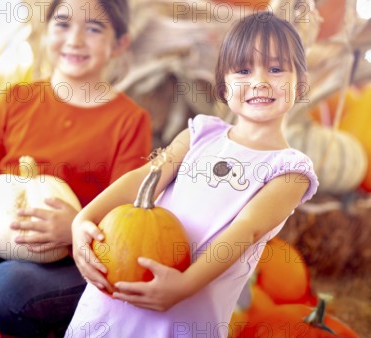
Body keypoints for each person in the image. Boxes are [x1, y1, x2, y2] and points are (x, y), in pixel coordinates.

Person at [67, 11, 319, 338]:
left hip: (185, 310)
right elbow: (147, 175)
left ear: (300, 83)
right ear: (224, 86)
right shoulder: (201, 133)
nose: (259, 81)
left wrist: (184, 286)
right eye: (243, 70)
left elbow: (247, 229)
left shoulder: (289, 170)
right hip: (121, 285)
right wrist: (83, 219)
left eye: (275, 69)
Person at [0, 0, 152, 336]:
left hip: (75, 260)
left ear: (119, 44)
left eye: (94, 28)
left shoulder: (129, 120)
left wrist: (75, 227)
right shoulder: (17, 99)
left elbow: (128, 211)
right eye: (63, 24)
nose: (75, 39)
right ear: (46, 31)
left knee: (3, 291)